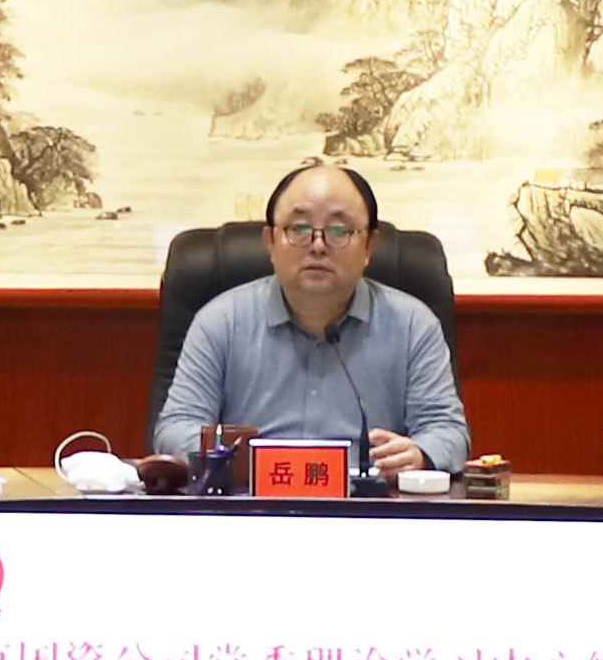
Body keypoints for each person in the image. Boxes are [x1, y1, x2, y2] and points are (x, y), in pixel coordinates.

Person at [153, 160, 467, 481]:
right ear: (270, 241)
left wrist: (420, 454)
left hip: (367, 506)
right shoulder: (220, 322)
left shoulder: (412, 325)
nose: (318, 246)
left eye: (339, 231)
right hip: (253, 502)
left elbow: (448, 432)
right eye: (299, 229)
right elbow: (176, 428)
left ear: (369, 246)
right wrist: (237, 463)